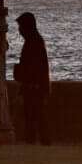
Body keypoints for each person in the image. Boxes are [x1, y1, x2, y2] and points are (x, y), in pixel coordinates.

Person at [16, 12, 52, 145]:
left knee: (34, 116)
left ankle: (36, 141)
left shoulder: (33, 42)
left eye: (21, 27)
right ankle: (40, 141)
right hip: (35, 86)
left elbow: (35, 67)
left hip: (34, 87)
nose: (19, 31)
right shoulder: (35, 40)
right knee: (36, 116)